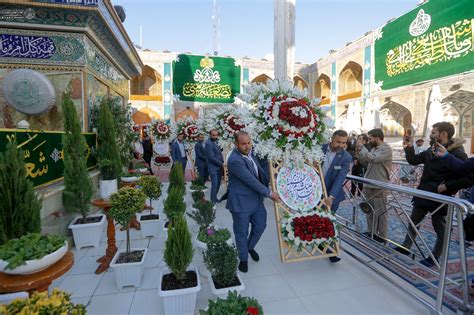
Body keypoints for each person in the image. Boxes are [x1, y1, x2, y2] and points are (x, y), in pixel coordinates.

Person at [396, 122, 468, 267]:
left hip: (441, 196)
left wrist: (447, 186)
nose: (431, 135)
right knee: (414, 220)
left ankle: (434, 257)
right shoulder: (432, 148)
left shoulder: (458, 153)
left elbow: (465, 177)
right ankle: (406, 246)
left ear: (443, 134)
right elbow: (414, 160)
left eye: (434, 132)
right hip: (424, 192)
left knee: (440, 228)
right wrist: (409, 148)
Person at [226, 131, 280, 272]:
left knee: (261, 226)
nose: (247, 146)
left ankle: (249, 247)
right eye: (243, 144)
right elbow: (250, 180)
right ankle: (243, 258)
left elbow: (262, 169)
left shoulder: (252, 153)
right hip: (241, 203)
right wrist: (269, 193)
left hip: (256, 200)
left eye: (249, 142)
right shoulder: (234, 160)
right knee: (241, 232)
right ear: (236, 144)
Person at [357, 128, 393, 243]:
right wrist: (359, 151)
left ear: (377, 138)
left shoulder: (386, 149)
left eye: (371, 138)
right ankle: (371, 231)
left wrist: (362, 147)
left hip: (379, 184)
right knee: (369, 209)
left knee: (381, 211)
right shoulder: (373, 148)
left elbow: (374, 159)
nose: (369, 140)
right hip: (369, 183)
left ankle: (382, 236)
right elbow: (366, 162)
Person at [321, 130, 352, 262]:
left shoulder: (346, 157)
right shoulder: (318, 149)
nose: (341, 145)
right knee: (315, 218)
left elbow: (340, 178)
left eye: (344, 143)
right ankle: (317, 241)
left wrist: (332, 196)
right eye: (338, 142)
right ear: (331, 139)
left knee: (330, 222)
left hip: (332, 195)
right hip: (315, 193)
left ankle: (331, 250)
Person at [205, 129, 224, 204]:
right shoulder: (208, 143)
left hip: (218, 167)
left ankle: (214, 198)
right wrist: (221, 163)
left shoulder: (215, 142)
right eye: (213, 135)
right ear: (210, 135)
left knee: (218, 183)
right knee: (215, 184)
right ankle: (212, 201)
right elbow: (211, 157)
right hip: (213, 167)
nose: (215, 136)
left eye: (216, 135)